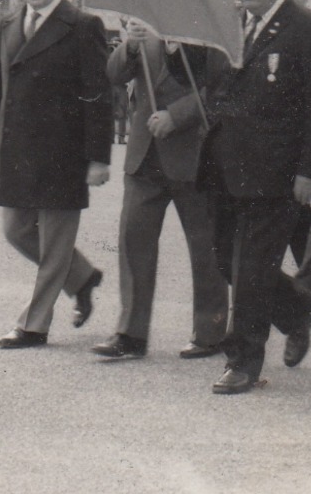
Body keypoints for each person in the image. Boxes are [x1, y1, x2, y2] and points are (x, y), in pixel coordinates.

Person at [198, 0, 311, 394]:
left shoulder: (308, 28)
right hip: (223, 166)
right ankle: (298, 312)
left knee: (252, 267)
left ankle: (244, 361)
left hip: (275, 172)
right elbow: (209, 84)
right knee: (226, 261)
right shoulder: (228, 24)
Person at [0, 0, 111, 349]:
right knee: (16, 230)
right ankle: (82, 277)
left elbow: (98, 95)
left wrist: (98, 157)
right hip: (18, 150)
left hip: (63, 153)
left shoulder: (82, 26)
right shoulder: (8, 25)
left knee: (54, 245)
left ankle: (32, 326)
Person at [93, 24, 228, 362]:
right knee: (133, 241)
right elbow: (113, 73)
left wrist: (178, 115)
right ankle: (130, 333)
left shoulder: (209, 32)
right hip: (144, 156)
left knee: (204, 246)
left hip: (193, 155)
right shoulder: (145, 30)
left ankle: (209, 332)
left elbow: (221, 89)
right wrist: (131, 47)